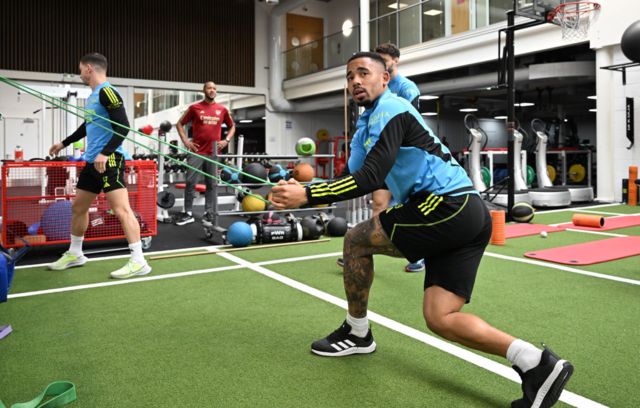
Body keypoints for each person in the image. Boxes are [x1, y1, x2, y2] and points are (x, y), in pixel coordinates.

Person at [271, 52, 573, 408]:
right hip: (466, 214)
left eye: (363, 73)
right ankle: (535, 363)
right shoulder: (367, 126)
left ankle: (356, 332)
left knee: (355, 240)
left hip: (446, 204)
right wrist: (302, 185)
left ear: (385, 78)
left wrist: (307, 194)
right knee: (440, 316)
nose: (355, 81)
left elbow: (368, 178)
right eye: (350, 76)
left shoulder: (392, 107)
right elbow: (360, 177)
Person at [47, 52, 151, 279]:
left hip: (110, 159)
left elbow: (124, 127)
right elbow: (87, 126)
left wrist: (106, 153)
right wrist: (63, 143)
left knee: (121, 210)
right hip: (93, 161)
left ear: (88, 69)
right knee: (78, 207)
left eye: (80, 68)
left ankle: (138, 261)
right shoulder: (94, 96)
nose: (79, 73)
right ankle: (76, 253)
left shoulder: (107, 92)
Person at [337, 42, 424, 273]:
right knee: (378, 203)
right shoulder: (367, 111)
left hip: (404, 161)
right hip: (382, 159)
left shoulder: (405, 90)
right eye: (351, 77)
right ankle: (363, 248)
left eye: (384, 60)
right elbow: (352, 173)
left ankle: (417, 254)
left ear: (394, 63)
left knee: (408, 208)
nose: (356, 80)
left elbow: (407, 122)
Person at [175, 81, 236, 226]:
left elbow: (232, 126)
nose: (212, 90)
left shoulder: (222, 109)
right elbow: (179, 124)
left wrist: (226, 140)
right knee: (190, 182)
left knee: (211, 184)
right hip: (197, 151)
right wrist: (186, 141)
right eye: (209, 88)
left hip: (213, 153)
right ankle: (188, 213)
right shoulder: (195, 108)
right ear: (204, 90)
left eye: (214, 88)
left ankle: (208, 212)